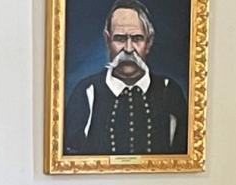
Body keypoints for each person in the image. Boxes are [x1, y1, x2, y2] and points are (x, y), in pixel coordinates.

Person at [63, 0, 187, 156]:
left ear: (149, 42)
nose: (128, 49)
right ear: (107, 40)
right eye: (120, 38)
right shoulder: (86, 92)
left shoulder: (169, 92)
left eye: (137, 38)